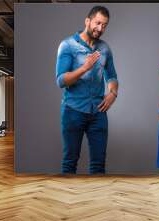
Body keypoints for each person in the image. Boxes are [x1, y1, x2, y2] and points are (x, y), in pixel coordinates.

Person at [55, 6, 118, 174]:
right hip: (73, 111)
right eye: (98, 23)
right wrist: (84, 68)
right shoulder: (67, 45)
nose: (100, 28)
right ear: (87, 21)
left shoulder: (105, 48)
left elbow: (112, 76)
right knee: (70, 162)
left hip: (98, 112)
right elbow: (61, 80)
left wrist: (113, 93)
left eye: (104, 25)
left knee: (99, 165)